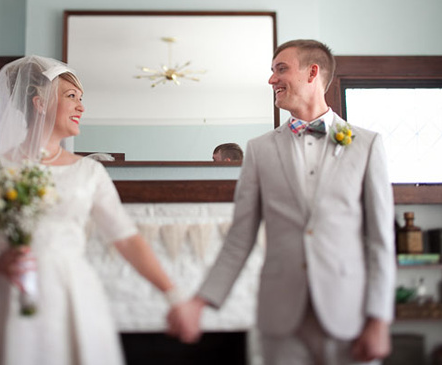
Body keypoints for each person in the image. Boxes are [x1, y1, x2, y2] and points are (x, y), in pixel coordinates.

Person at [167, 39, 396, 365]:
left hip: (351, 318)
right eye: (272, 71)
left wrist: (379, 320)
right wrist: (200, 302)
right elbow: (239, 239)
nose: (272, 79)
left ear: (312, 72)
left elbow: (380, 242)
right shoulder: (259, 150)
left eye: (281, 69)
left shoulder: (367, 145)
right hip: (280, 321)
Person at [0, 56, 181, 365]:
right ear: (40, 103)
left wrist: (173, 295)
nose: (81, 107)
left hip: (71, 300)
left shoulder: (90, 172)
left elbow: (127, 239)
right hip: (5, 301)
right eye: (72, 97)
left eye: (81, 99)